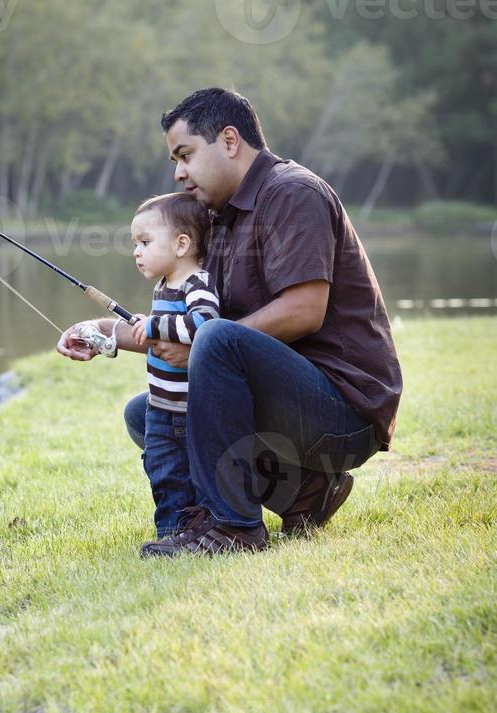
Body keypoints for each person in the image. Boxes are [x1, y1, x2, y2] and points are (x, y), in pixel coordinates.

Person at [57, 87, 402, 557]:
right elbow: (179, 325)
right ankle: (304, 492)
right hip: (288, 402)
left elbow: (304, 310)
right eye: (174, 160)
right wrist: (99, 334)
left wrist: (204, 345)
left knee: (215, 340)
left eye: (186, 154)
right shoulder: (219, 219)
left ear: (230, 140)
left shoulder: (292, 193)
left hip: (344, 412)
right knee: (150, 412)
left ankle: (236, 529)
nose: (179, 172)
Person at [127, 192, 220, 539]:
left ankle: (197, 527)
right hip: (159, 404)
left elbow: (205, 326)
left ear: (181, 244)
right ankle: (171, 531)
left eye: (145, 242)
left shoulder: (198, 284)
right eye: (135, 243)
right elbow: (166, 326)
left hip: (189, 408)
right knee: (162, 468)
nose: (137, 251)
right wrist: (146, 322)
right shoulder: (164, 285)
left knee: (191, 470)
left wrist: (153, 325)